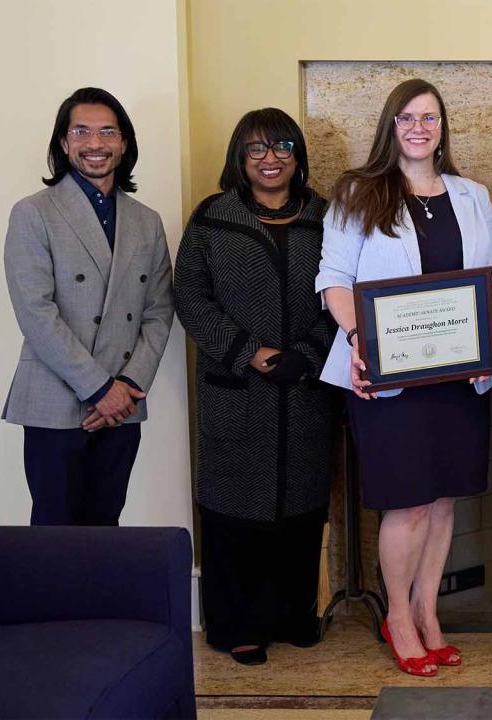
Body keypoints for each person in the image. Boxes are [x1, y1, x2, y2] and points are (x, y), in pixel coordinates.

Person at [317, 79, 492, 677]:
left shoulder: (472, 195)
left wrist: (487, 330)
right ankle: (397, 615)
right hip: (390, 375)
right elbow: (334, 278)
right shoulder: (359, 191)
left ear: (443, 126)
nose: (419, 127)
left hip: (457, 375)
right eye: (406, 117)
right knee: (408, 506)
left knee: (444, 500)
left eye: (429, 117)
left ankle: (429, 613)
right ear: (389, 127)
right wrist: (356, 340)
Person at [174, 108, 334, 666]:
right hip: (237, 389)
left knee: (301, 508)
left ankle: (294, 615)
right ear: (239, 158)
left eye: (282, 146)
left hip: (307, 389)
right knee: (236, 513)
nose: (270, 159)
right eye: (256, 149)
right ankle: (236, 625)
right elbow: (190, 296)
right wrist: (250, 352)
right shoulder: (213, 218)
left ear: (298, 155)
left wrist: (311, 352)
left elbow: (343, 290)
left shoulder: (325, 216)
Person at [2, 87, 174, 526]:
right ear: (63, 142)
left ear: (124, 143)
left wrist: (128, 386)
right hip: (56, 403)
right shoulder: (33, 213)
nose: (95, 144)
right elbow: (36, 313)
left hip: (122, 405)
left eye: (107, 132)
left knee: (106, 530)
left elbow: (159, 310)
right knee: (55, 535)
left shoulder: (146, 220)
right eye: (81, 131)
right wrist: (100, 389)